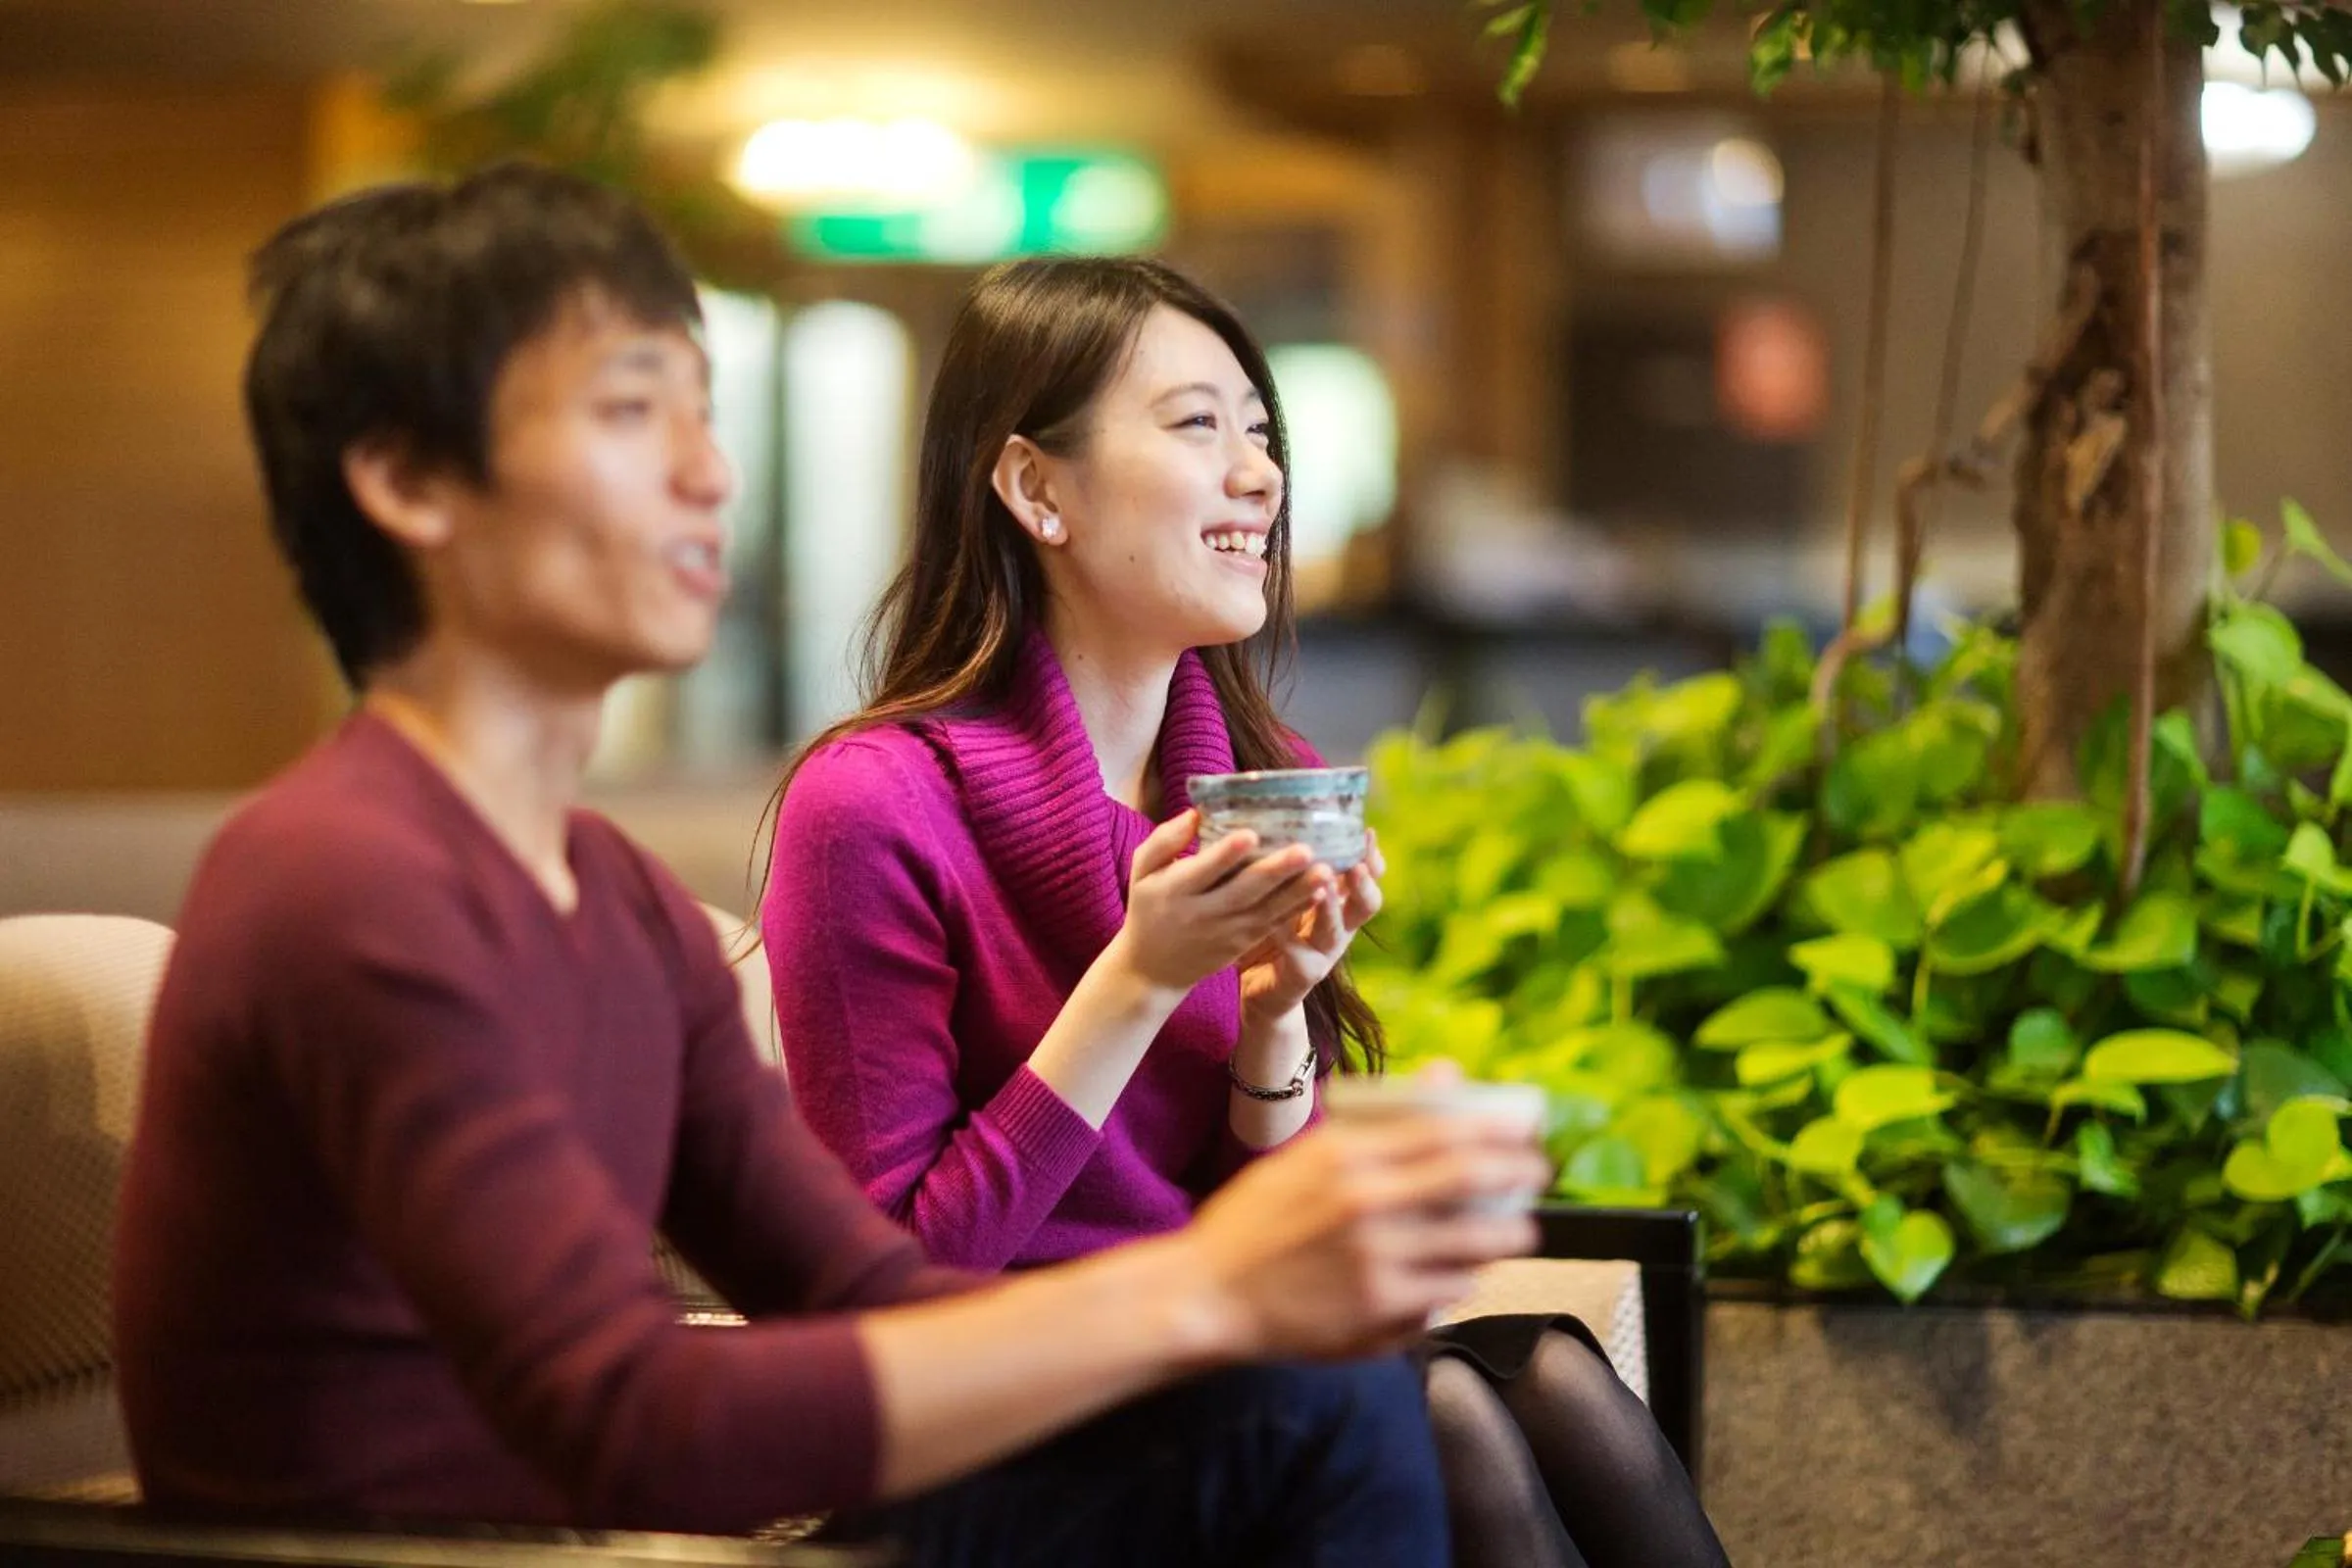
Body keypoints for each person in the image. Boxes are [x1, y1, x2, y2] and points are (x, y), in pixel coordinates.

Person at [110, 163, 1553, 1567]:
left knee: (1362, 1391)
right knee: (1320, 1406)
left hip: (609, 1539)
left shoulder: (611, 897)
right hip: (454, 1552)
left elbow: (879, 1298)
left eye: (704, 413)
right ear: (409, 482)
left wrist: (1278, 1239)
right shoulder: (345, 877)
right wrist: (1216, 1290)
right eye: (632, 414)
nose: (711, 473)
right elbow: (628, 1422)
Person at [760, 256, 1733, 1568]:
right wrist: (1137, 983)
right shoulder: (874, 806)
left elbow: (1251, 1244)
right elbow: (888, 1288)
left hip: (1219, 1379)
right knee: (1440, 1411)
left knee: (1554, 1376)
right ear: (1033, 486)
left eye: (1261, 432)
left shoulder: (1237, 786)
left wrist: (1277, 1028)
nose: (1261, 475)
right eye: (1197, 425)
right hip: (989, 1435)